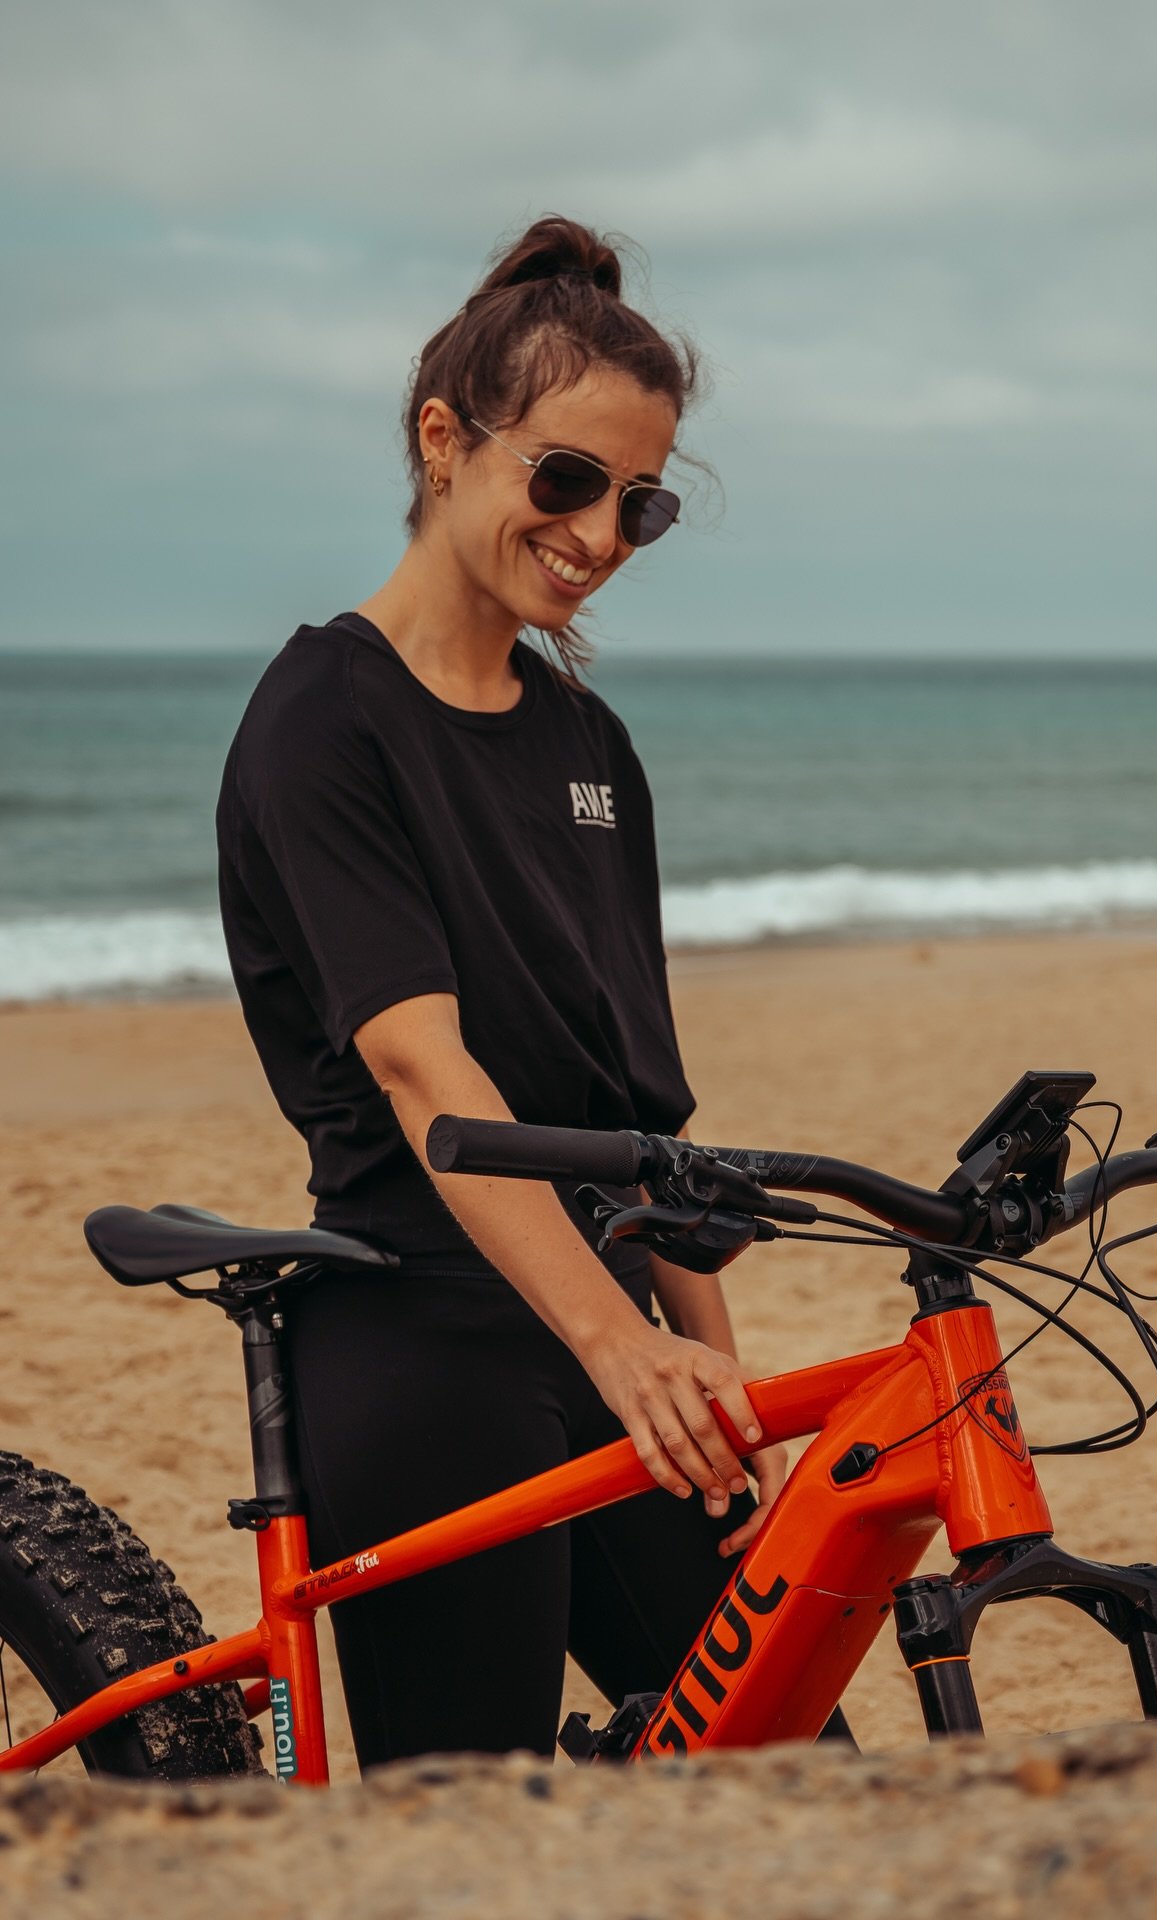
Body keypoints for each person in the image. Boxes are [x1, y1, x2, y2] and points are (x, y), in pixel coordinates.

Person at [216, 214, 788, 1767]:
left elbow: (639, 1113)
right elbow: (423, 1072)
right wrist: (622, 1352)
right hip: (420, 1328)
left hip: (615, 1327)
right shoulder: (322, 721)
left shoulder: (590, 747)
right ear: (443, 439)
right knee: (467, 1835)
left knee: (775, 1772)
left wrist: (713, 1384)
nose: (600, 533)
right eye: (566, 479)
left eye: (641, 502)